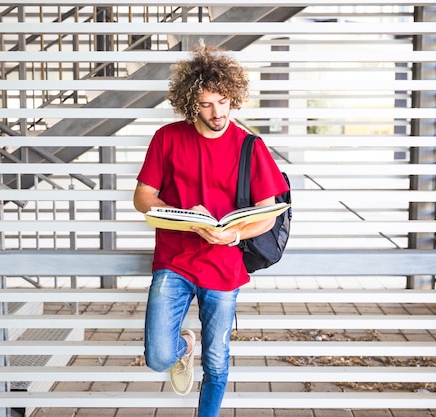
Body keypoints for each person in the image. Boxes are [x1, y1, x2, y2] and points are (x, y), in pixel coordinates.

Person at [133, 43, 289, 417]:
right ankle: (184, 346)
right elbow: (143, 198)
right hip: (174, 261)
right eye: (206, 104)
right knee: (157, 356)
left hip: (224, 268)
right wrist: (186, 214)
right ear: (191, 103)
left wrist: (233, 235)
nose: (217, 112)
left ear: (233, 96)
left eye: (222, 101)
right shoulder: (167, 138)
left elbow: (268, 215)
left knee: (217, 363)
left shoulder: (250, 146)